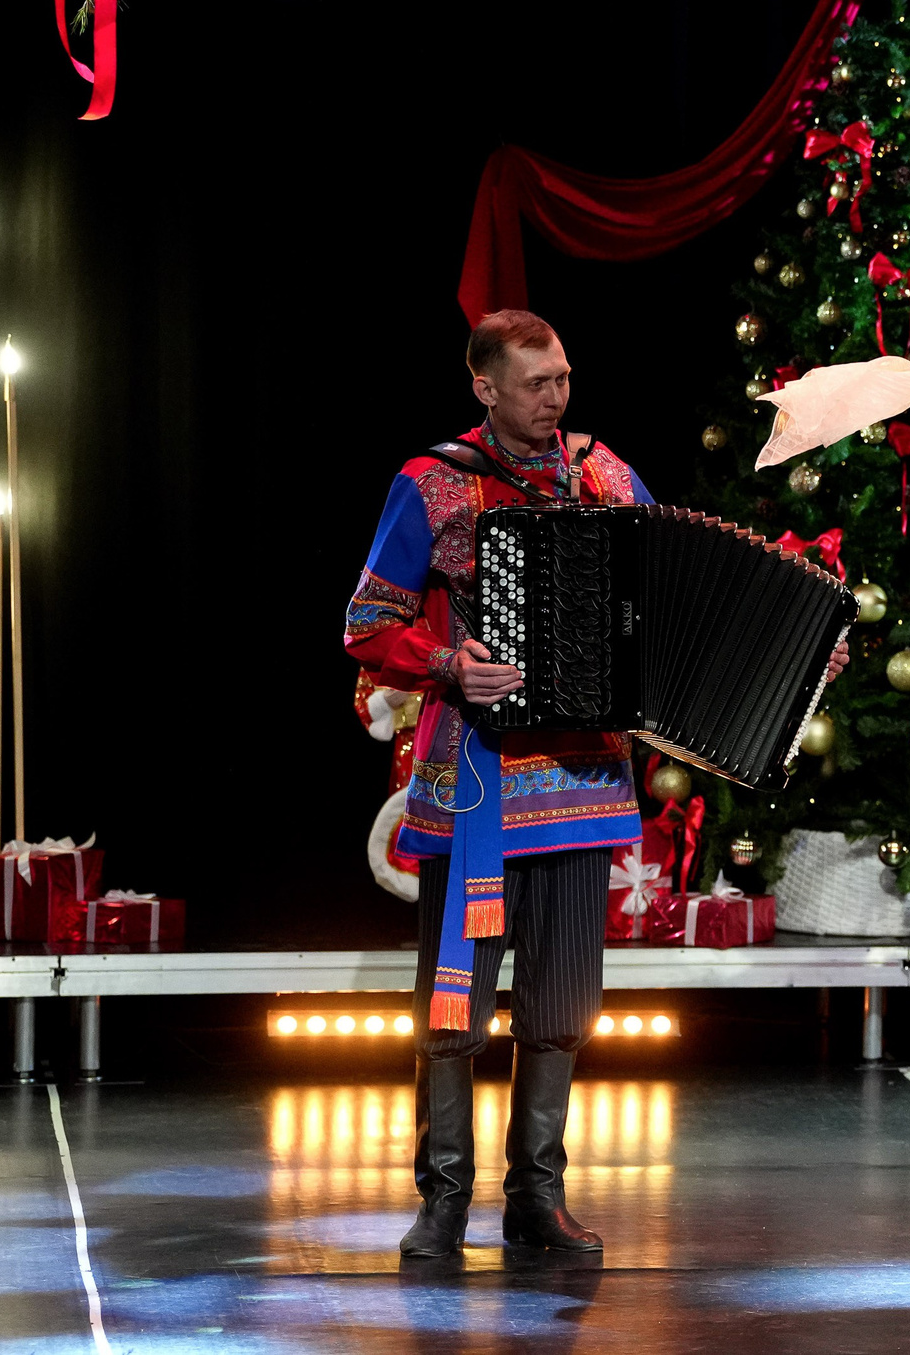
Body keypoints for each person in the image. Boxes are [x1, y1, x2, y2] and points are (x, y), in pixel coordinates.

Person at [344, 309, 653, 1259]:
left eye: (563, 378)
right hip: (474, 776)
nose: (557, 399)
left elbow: (668, 596)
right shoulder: (432, 483)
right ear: (484, 386)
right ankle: (443, 1199)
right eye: (536, 383)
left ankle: (536, 1199)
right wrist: (446, 662)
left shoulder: (607, 476)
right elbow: (366, 623)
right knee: (454, 999)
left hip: (582, 778)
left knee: (562, 1000)